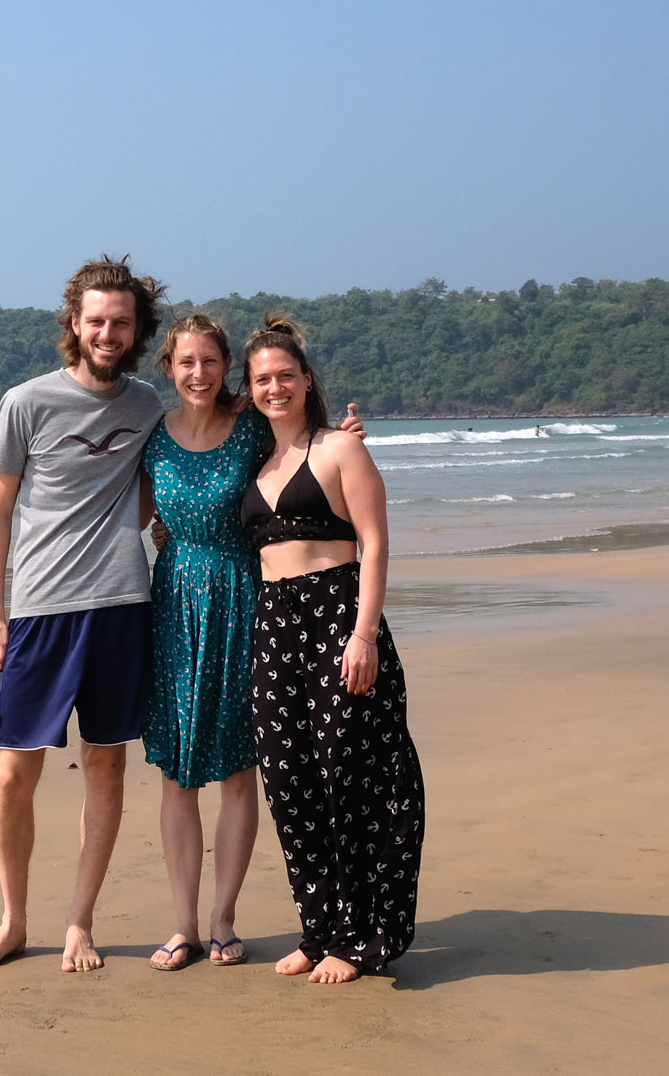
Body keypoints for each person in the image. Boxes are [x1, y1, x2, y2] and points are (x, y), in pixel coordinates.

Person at [0, 255, 167, 973]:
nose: (108, 332)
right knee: (13, 773)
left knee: (105, 768)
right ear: (74, 326)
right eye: (96, 321)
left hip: (120, 607)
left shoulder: (148, 406)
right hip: (41, 611)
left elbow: (185, 468)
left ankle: (80, 922)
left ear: (138, 330)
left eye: (121, 322)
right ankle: (14, 920)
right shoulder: (27, 402)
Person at [241, 312, 425, 984]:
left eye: (285, 375)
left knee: (352, 778)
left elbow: (375, 542)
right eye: (262, 379)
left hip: (338, 616)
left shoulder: (341, 449)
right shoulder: (255, 460)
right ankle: (318, 930)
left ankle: (361, 935)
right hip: (275, 627)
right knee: (290, 786)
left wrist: (365, 633)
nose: (275, 387)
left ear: (307, 379)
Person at [139, 314, 264, 971]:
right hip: (174, 602)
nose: (198, 373)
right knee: (177, 770)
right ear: (169, 367)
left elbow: (306, 459)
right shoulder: (152, 437)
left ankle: (223, 919)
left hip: (244, 596)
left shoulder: (253, 429)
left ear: (225, 367)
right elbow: (124, 509)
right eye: (186, 362)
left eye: (210, 362)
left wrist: (346, 437)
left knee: (239, 768)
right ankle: (183, 924)